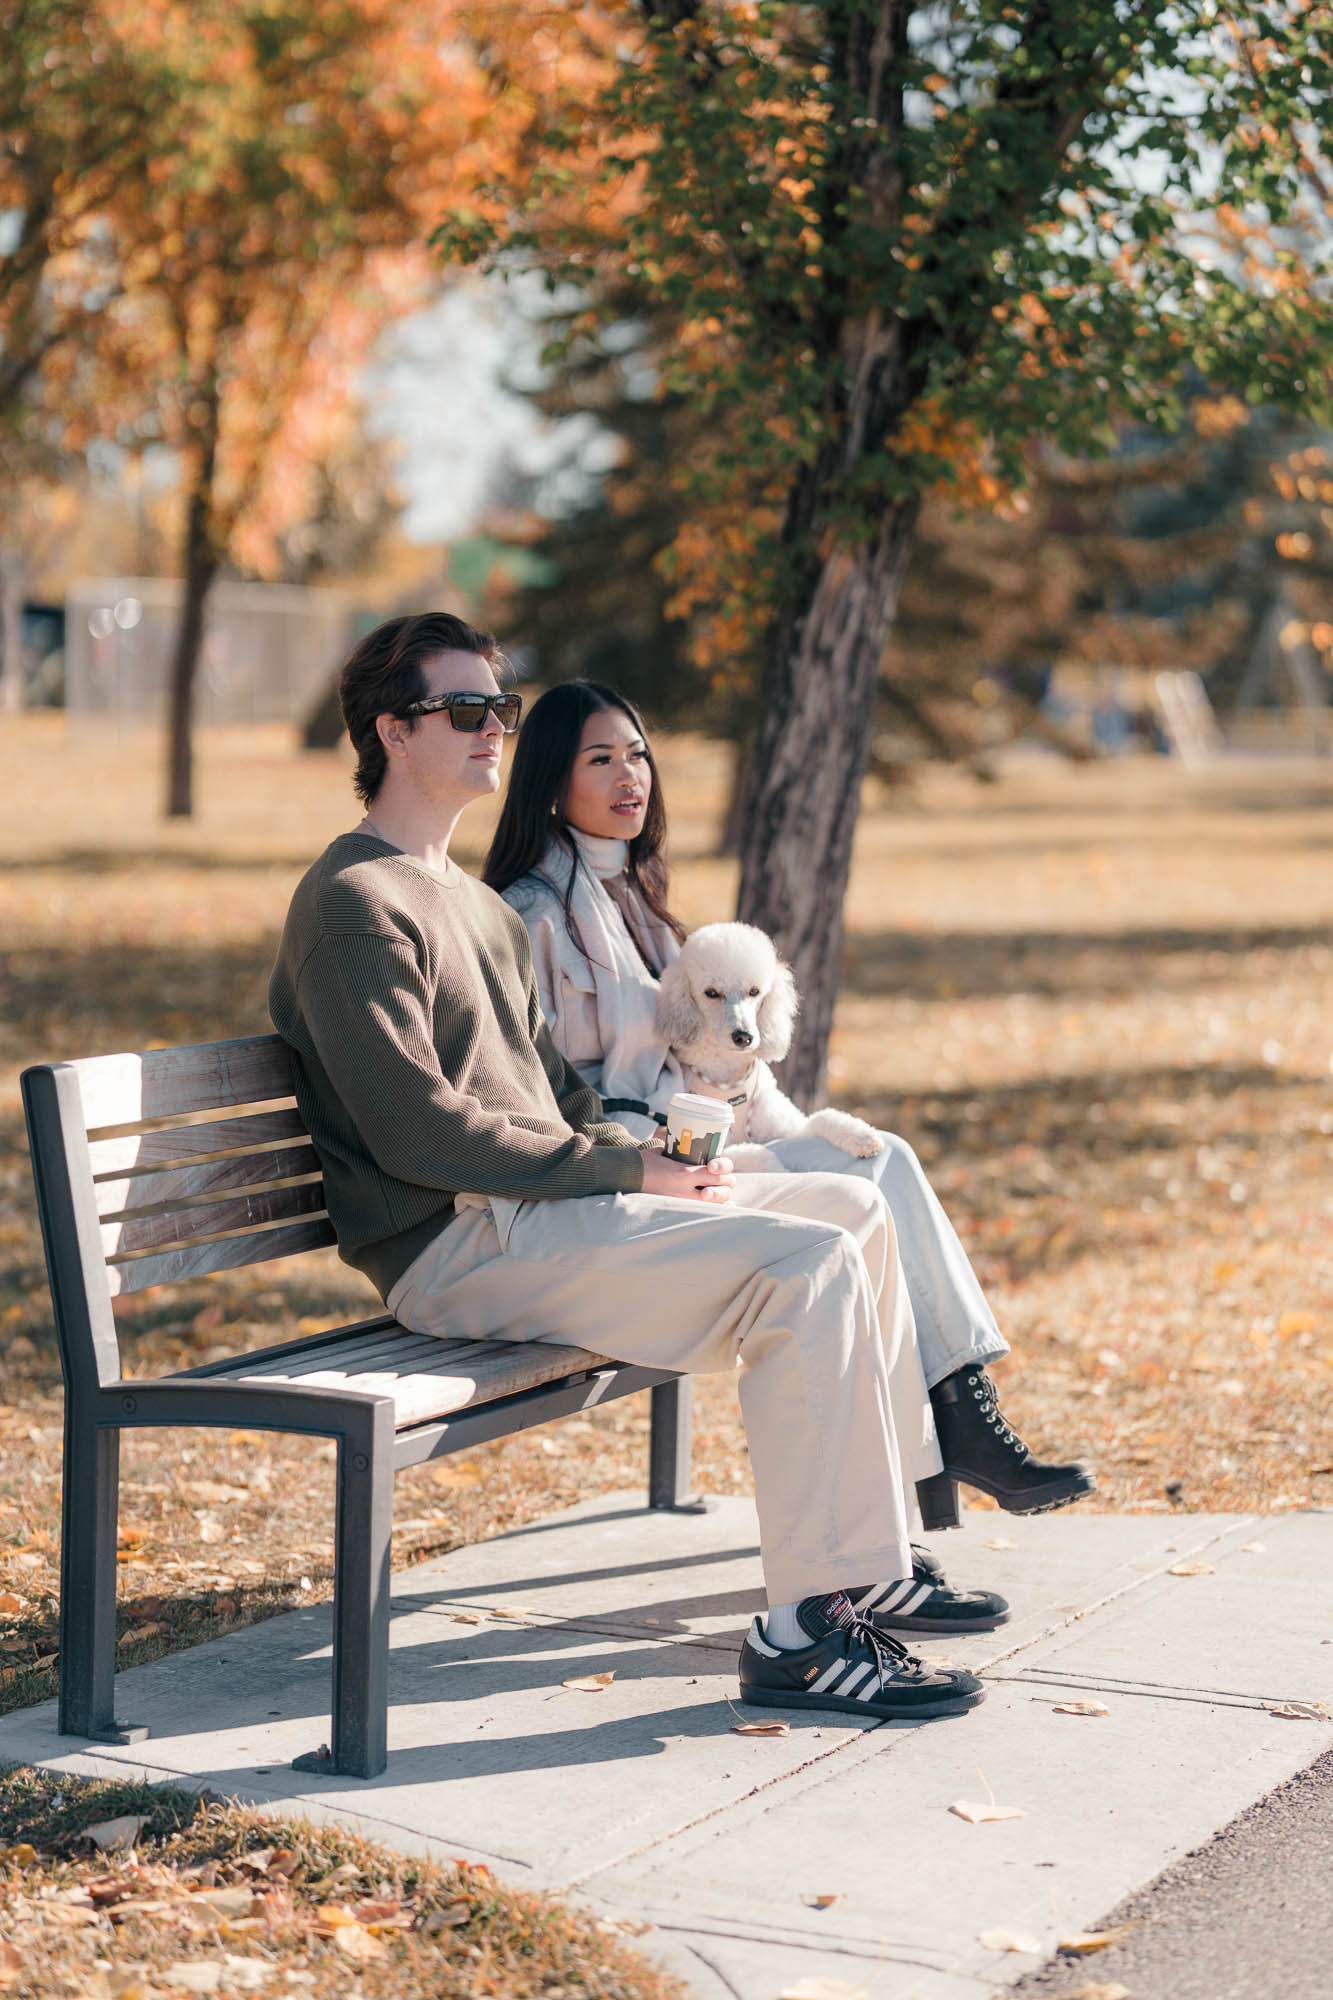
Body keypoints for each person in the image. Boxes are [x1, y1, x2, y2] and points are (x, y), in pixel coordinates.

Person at [269, 611, 989, 1724]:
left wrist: (653, 1156)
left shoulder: (469, 903)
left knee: (850, 1205)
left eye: (498, 709)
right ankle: (805, 1628)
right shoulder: (355, 904)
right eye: (463, 711)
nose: (491, 730)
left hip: (532, 1214)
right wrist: (615, 1176)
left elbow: (553, 1097)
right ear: (391, 733)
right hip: (456, 1244)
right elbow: (420, 1131)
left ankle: (867, 1560)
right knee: (797, 1270)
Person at [484, 679, 1095, 1528]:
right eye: (600, 760)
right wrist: (645, 1147)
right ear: (552, 781)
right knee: (866, 1182)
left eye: (637, 756)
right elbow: (545, 1086)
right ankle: (953, 1433)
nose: (630, 777)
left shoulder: (643, 905)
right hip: (627, 1174)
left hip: (696, 1144)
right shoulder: (531, 916)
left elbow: (705, 1054)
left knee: (877, 1156)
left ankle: (960, 1410)